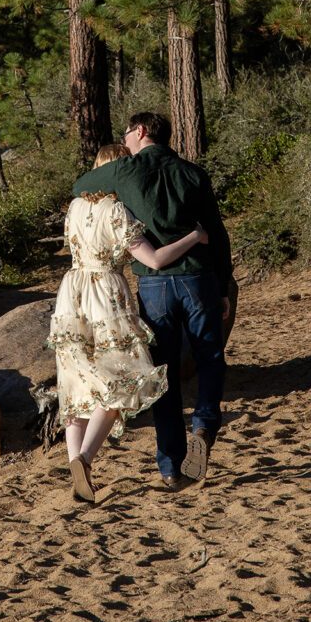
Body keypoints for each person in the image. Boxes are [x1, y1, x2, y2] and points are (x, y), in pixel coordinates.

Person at [72, 113, 232, 491]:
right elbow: (217, 232)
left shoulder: (125, 170)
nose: (124, 141)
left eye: (126, 135)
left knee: (164, 373)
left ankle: (170, 467)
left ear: (140, 132)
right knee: (210, 358)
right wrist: (223, 286)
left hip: (155, 286)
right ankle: (205, 426)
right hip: (198, 278)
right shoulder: (193, 173)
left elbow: (81, 185)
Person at [49, 143, 209, 503]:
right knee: (122, 380)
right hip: (106, 293)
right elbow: (152, 259)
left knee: (75, 382)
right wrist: (194, 237)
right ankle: (85, 460)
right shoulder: (116, 210)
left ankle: (76, 462)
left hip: (72, 292)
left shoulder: (74, 207)